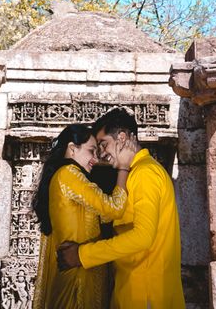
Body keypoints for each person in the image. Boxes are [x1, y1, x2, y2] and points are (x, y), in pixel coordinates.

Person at [57, 109, 185, 309]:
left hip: (145, 294)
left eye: (103, 144)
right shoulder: (137, 174)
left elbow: (143, 236)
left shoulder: (145, 174)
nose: (101, 153)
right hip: (135, 291)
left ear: (122, 137)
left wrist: (82, 255)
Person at [32, 123, 131, 309]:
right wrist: (123, 169)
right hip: (77, 282)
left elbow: (102, 216)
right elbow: (114, 208)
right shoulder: (70, 174)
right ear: (72, 149)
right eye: (91, 151)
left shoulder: (63, 176)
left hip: (74, 277)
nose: (95, 159)